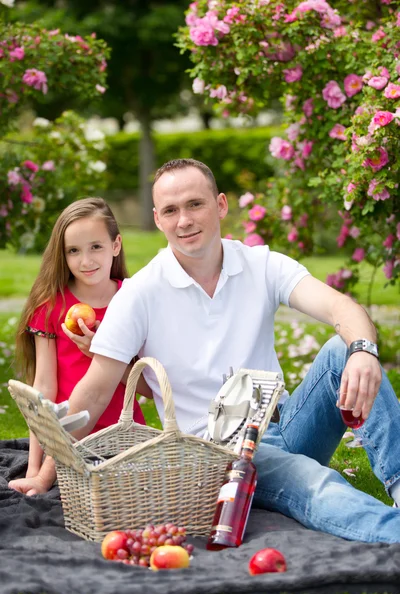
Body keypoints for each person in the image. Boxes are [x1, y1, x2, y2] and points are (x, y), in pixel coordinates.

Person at [14, 160, 400, 543]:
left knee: (344, 348)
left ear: (220, 205)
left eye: (195, 204)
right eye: (171, 210)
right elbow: (94, 390)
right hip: (221, 454)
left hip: (287, 422)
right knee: (315, 483)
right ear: (158, 219)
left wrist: (363, 351)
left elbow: (341, 308)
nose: (184, 220)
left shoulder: (260, 264)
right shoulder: (138, 294)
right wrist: (46, 474)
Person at [8, 197, 150, 496]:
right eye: (74, 251)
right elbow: (43, 389)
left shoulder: (134, 301)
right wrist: (35, 468)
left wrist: (101, 354)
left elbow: (148, 386)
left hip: (123, 439)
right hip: (64, 444)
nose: (86, 261)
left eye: (96, 247)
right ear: (63, 255)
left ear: (116, 245)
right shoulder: (51, 308)